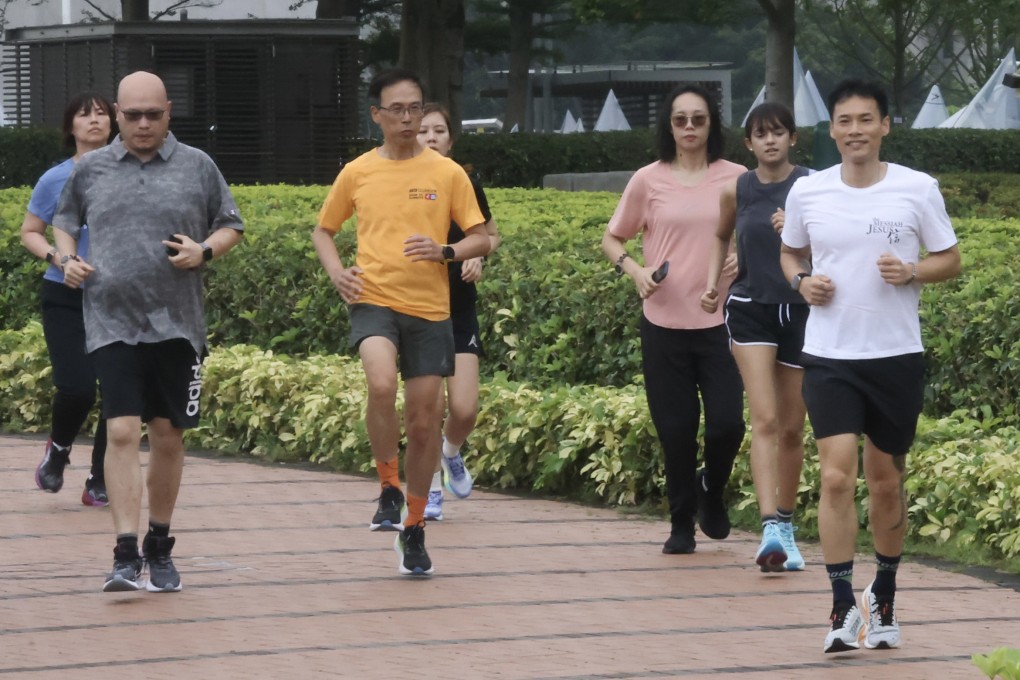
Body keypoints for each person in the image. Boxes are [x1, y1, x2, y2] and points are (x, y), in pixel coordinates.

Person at [779, 79, 961, 653]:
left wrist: (913, 272)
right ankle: (840, 606)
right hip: (831, 354)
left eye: (865, 120)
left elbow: (950, 259)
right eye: (844, 121)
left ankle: (882, 594)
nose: (854, 130)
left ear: (885, 125)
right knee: (835, 475)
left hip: (895, 356)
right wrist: (801, 281)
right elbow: (790, 252)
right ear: (831, 129)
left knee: (885, 483)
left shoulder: (916, 188)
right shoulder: (811, 191)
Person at [53, 71, 244, 593]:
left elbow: (230, 223)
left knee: (167, 436)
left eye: (152, 115)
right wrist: (67, 258)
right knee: (119, 431)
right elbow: (63, 221)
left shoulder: (197, 165)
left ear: (169, 112)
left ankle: (159, 544)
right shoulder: (91, 169)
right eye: (132, 115)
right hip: (111, 319)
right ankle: (122, 551)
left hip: (178, 325)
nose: (142, 124)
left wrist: (204, 250)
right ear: (117, 113)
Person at [312, 69, 489, 576]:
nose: (409, 119)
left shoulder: (447, 173)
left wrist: (445, 250)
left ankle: (414, 526)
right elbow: (324, 231)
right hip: (373, 298)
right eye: (398, 110)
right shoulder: (358, 171)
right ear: (377, 116)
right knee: (380, 379)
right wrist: (337, 274)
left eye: (416, 109)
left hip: (431, 309)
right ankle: (387, 483)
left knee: (423, 418)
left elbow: (481, 235)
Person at [602, 84, 746, 555]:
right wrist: (635, 271)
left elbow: (765, 238)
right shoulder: (648, 179)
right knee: (677, 430)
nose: (689, 128)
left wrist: (740, 258)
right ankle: (681, 521)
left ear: (712, 126)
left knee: (727, 424)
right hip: (663, 323)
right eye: (680, 119)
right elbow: (613, 240)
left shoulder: (737, 178)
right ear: (669, 125)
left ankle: (712, 489)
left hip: (721, 322)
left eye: (698, 119)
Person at [701, 102, 810, 572]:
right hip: (749, 310)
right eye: (760, 134)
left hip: (801, 311)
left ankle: (787, 524)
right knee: (764, 419)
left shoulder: (812, 186)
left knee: (791, 427)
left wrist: (801, 231)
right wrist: (712, 283)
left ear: (792, 138)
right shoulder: (737, 189)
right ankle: (769, 528)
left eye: (778, 132)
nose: (770, 141)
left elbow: (837, 243)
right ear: (748, 143)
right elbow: (721, 236)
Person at [20, 92, 117, 507]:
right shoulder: (54, 179)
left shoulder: (130, 174)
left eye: (102, 114)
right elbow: (30, 231)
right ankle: (58, 451)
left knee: (119, 393)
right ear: (70, 127)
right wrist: (60, 258)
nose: (94, 121)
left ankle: (101, 477)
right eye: (84, 115)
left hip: (117, 297)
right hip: (65, 295)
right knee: (77, 388)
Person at [416, 102, 501, 521]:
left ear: (450, 139)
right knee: (428, 406)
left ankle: (451, 453)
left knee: (464, 408)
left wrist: (479, 257)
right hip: (416, 307)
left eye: (439, 131)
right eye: (423, 131)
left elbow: (488, 233)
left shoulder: (465, 181)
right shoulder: (402, 183)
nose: (431, 137)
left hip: (460, 307)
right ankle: (431, 489)